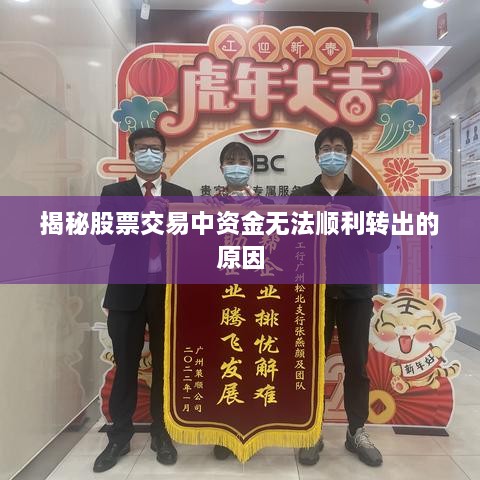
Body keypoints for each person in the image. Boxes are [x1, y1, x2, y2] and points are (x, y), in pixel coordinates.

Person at [289, 126, 389, 468]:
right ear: (317, 155)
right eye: (326, 148)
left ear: (347, 155)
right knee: (310, 363)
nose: (332, 153)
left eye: (338, 148)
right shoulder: (301, 196)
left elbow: (380, 243)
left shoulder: (365, 197)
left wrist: (354, 221)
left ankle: (356, 431)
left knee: (356, 364)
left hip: (356, 292)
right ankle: (311, 429)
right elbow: (287, 242)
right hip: (312, 293)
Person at [94, 128, 192, 473]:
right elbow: (104, 235)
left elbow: (192, 241)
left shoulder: (182, 195)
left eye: (154, 148)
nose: (148, 153)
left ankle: (161, 432)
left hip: (167, 294)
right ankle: (119, 436)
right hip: (126, 292)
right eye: (141, 148)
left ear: (164, 154)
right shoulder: (114, 192)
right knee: (126, 365)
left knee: (166, 365)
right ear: (132, 154)